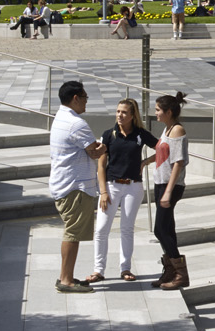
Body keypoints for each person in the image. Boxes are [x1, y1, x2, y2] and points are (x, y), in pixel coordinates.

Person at [92, 98, 156, 284]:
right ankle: (98, 270)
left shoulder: (140, 134)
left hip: (133, 187)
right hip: (111, 187)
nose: (120, 115)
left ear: (132, 115)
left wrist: (145, 162)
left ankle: (125, 268)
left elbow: (163, 148)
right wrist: (103, 192)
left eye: (124, 112)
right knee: (101, 229)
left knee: (127, 229)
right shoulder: (108, 135)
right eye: (118, 111)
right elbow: (101, 166)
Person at [50, 80, 104, 294]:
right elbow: (94, 151)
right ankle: (66, 280)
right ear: (75, 98)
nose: (86, 103)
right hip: (75, 187)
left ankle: (68, 277)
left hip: (66, 184)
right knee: (72, 233)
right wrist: (105, 145)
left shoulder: (61, 117)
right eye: (85, 98)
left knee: (73, 232)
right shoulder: (76, 123)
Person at [150, 91, 190, 292]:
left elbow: (178, 163)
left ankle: (180, 274)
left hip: (170, 186)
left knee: (160, 229)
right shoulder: (167, 130)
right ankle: (170, 271)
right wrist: (145, 162)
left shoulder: (177, 131)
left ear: (169, 112)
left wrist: (168, 192)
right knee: (167, 229)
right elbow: (161, 154)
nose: (155, 113)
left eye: (158, 110)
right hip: (160, 184)